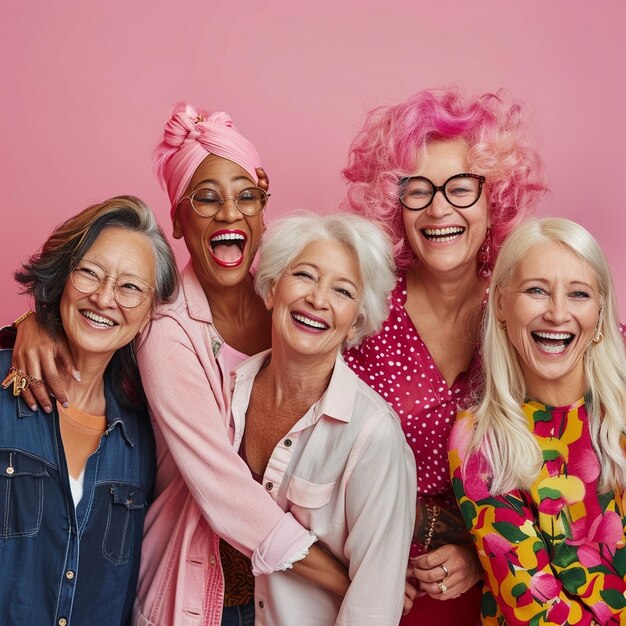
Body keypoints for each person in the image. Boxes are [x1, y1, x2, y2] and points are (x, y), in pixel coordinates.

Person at [9, 104, 349, 626]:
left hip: (292, 593)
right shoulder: (164, 328)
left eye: (246, 196)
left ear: (264, 205)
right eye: (206, 198)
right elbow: (220, 484)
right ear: (178, 217)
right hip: (205, 586)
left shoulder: (292, 297)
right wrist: (350, 576)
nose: (229, 213)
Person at [341, 88, 548, 624]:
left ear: (493, 198)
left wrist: (482, 557)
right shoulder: (360, 308)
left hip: (503, 591)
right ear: (395, 202)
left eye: (461, 188)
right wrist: (358, 562)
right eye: (418, 190)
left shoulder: (525, 310)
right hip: (373, 588)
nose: (439, 209)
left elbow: (566, 454)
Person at [0, 196, 179, 625]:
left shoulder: (141, 436)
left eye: (130, 287)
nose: (103, 298)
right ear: (63, 277)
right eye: (90, 273)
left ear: (151, 311)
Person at [235, 212, 415, 624]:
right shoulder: (227, 390)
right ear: (271, 289)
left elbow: (373, 606)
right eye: (305, 275)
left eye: (342, 291)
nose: (318, 300)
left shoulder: (373, 436)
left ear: (355, 324)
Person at [448, 217, 626, 625]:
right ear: (501, 307)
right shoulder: (480, 442)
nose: (558, 313)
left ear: (600, 315)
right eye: (536, 291)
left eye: (579, 294)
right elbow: (538, 613)